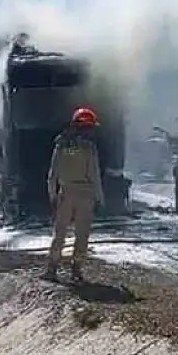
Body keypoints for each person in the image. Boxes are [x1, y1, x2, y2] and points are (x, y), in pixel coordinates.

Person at [42, 107, 105, 282]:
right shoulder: (89, 148)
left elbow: (52, 173)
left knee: (60, 233)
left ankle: (52, 269)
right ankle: (76, 270)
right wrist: (100, 198)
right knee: (81, 234)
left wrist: (52, 196)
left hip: (65, 194)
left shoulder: (61, 145)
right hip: (85, 195)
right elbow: (94, 174)